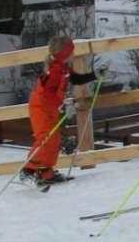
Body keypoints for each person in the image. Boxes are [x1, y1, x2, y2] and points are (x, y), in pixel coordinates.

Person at [21, 35, 98, 187]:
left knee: (54, 140)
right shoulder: (55, 70)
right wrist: (62, 106)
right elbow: (47, 94)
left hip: (50, 108)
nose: (73, 54)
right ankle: (29, 169)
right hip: (41, 108)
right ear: (64, 53)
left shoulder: (62, 66)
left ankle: (45, 173)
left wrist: (95, 75)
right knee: (45, 139)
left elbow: (76, 80)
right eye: (71, 51)